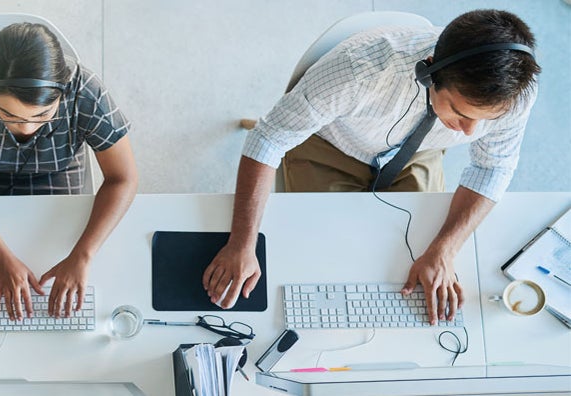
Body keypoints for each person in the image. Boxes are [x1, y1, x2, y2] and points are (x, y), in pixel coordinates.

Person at [203, 10, 540, 324]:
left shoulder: (516, 93)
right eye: (460, 113)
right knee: (322, 257)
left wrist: (445, 250)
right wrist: (242, 244)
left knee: (409, 263)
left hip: (419, 152)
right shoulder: (358, 70)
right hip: (332, 144)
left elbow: (491, 168)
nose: (470, 133)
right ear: (430, 71)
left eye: (483, 121)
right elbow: (268, 140)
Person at [0, 22, 138, 320]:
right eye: (8, 114)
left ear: (64, 90)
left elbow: (124, 177)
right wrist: (0, 258)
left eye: (42, 115)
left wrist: (83, 254)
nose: (26, 127)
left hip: (57, 172)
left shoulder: (85, 89)